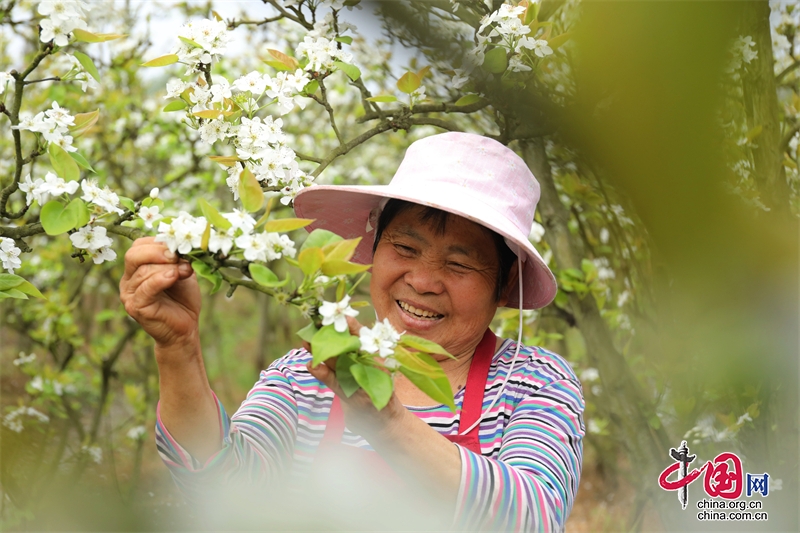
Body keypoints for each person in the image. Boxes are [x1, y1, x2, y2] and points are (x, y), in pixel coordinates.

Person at [120, 132, 585, 532]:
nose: (423, 281)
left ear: (504, 284)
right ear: (373, 248)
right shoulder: (307, 376)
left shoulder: (534, 383)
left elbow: (532, 517)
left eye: (459, 264)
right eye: (405, 248)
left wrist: (386, 421)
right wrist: (178, 348)